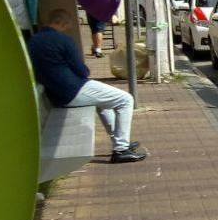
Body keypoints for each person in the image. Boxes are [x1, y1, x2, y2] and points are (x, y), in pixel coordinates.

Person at [28, 8, 145, 164]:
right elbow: (82, 71)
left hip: (55, 94)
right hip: (73, 89)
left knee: (102, 102)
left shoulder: (33, 41)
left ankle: (119, 141)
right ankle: (121, 149)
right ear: (63, 23)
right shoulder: (64, 40)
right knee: (126, 100)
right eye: (68, 25)